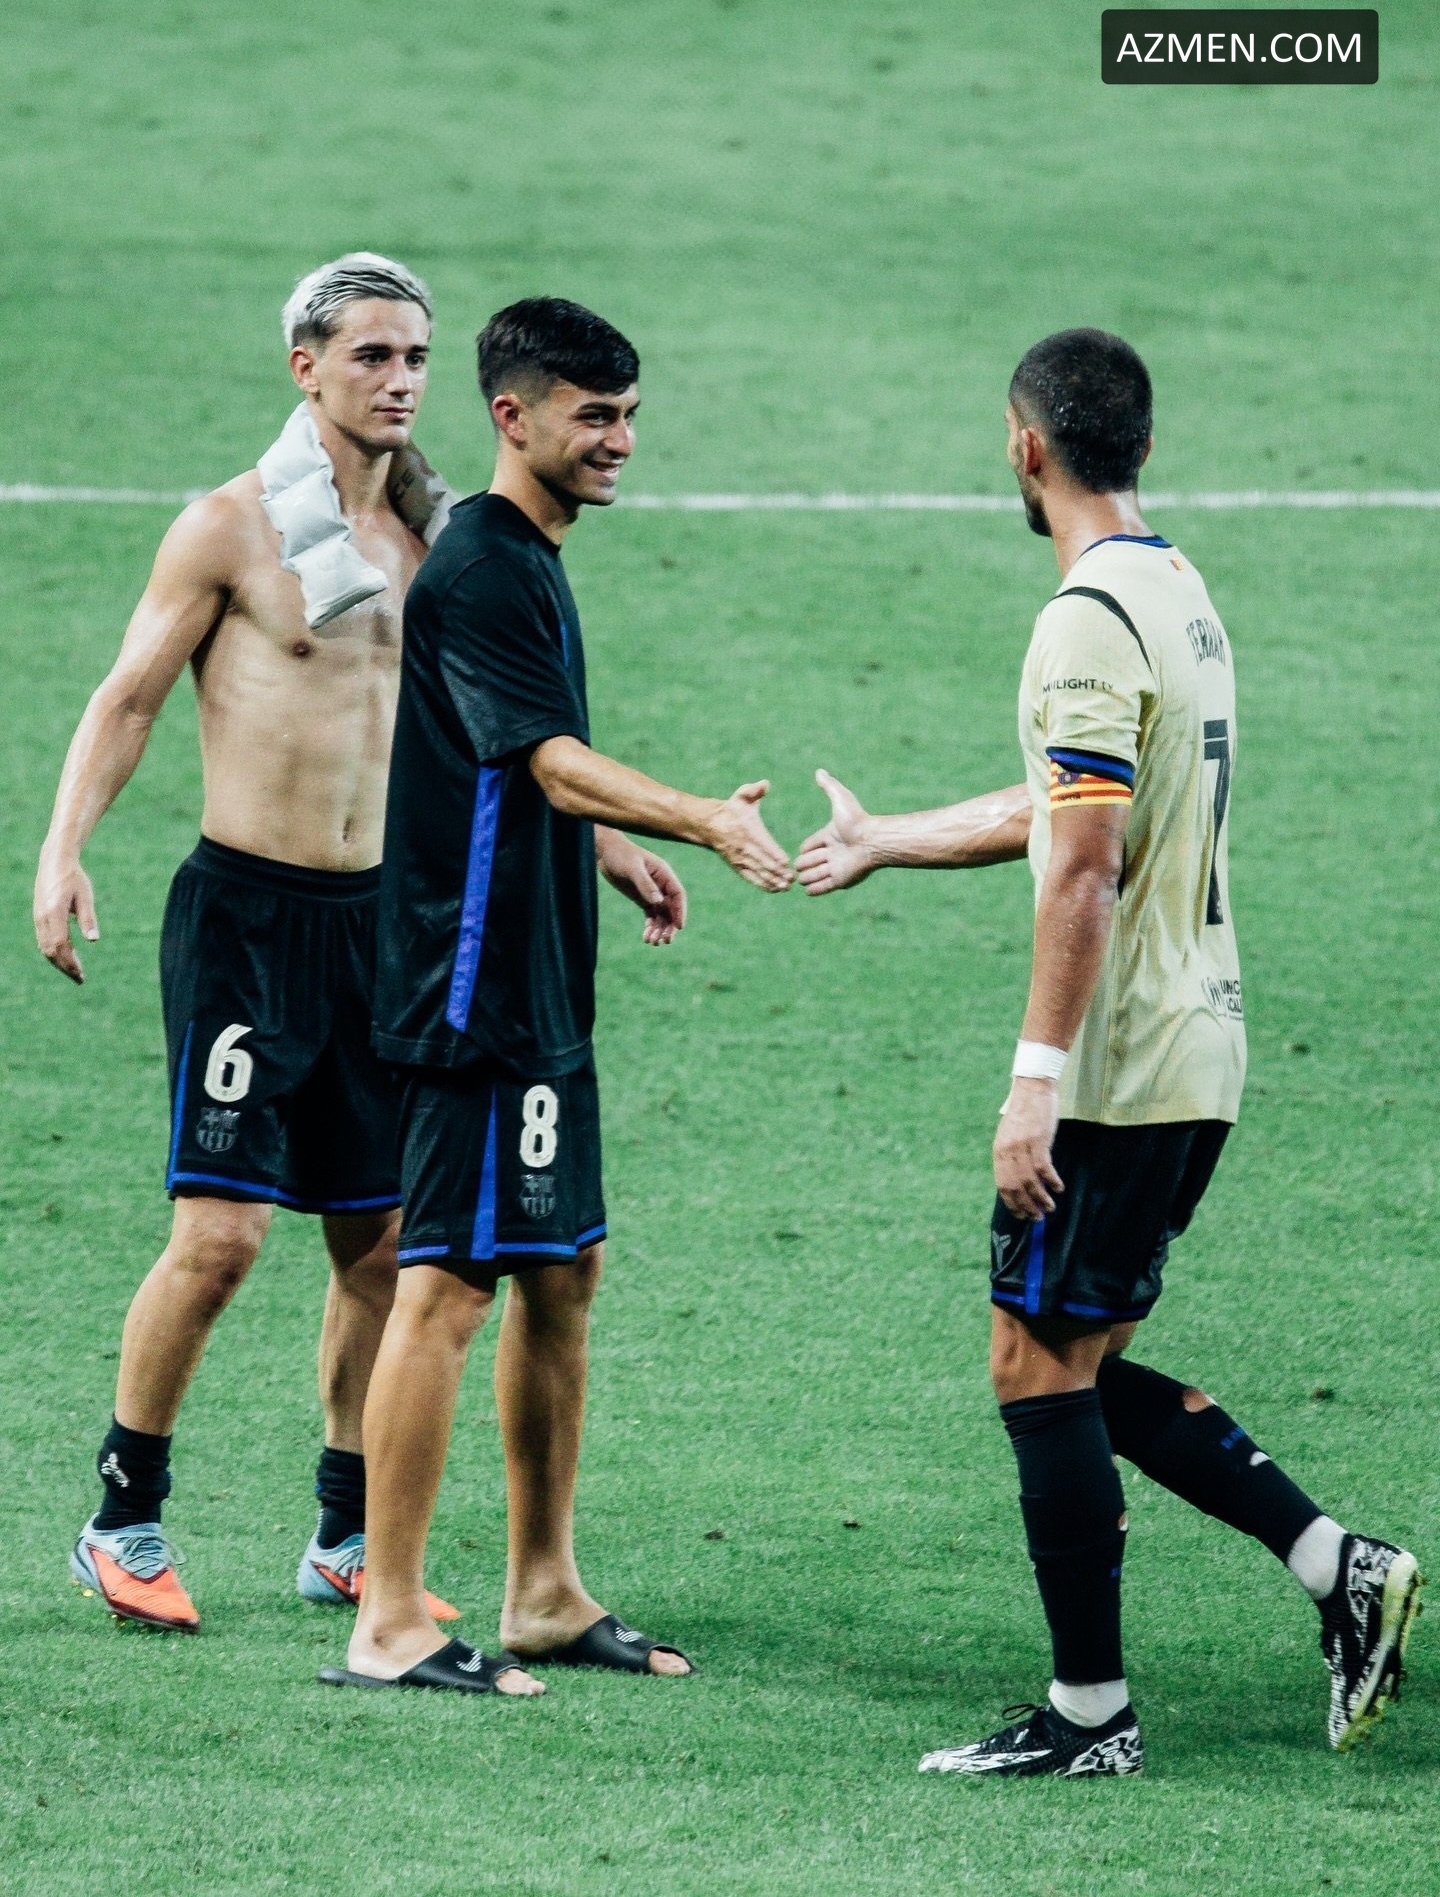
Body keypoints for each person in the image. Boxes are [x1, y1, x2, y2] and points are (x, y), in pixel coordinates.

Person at [798, 328, 1420, 1774]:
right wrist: (891, 838)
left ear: (1028, 447)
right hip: (1199, 1041)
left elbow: (1084, 867)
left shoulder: (1083, 620)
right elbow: (1077, 805)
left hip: (1121, 1067)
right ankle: (1337, 1567)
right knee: (1069, 1362)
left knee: (1035, 1366)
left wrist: (1034, 1083)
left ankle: (1092, 1714)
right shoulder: (1175, 589)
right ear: (1141, 443)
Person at [320, 296, 792, 1697]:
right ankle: (387, 1617)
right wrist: (699, 816)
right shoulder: (479, 568)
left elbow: (508, 764)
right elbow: (545, 757)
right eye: (594, 416)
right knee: (447, 1286)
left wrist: (605, 849)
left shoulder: (527, 556)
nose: (620, 439)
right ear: (512, 416)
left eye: (629, 415)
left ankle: (541, 1590)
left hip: (537, 976)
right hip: (471, 988)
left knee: (562, 1270)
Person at [36, 252, 460, 1632]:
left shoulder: (437, 540)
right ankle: (121, 1517)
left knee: (379, 1251)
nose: (398, 381)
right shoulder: (227, 528)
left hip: (378, 929)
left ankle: (346, 1537)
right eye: (372, 356)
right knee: (220, 1240)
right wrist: (61, 851)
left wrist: (610, 844)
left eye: (415, 358)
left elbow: (490, 730)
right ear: (306, 367)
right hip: (248, 925)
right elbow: (129, 697)